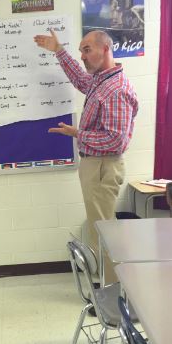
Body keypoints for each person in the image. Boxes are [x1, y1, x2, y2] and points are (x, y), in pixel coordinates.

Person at [33, 29, 138, 283]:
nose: (82, 56)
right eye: (81, 50)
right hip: (96, 166)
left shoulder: (115, 89)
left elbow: (116, 141)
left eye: (87, 50)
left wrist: (78, 133)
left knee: (103, 231)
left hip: (103, 166)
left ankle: (115, 293)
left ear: (106, 49)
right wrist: (59, 51)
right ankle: (111, 284)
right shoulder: (102, 79)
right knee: (100, 228)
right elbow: (81, 80)